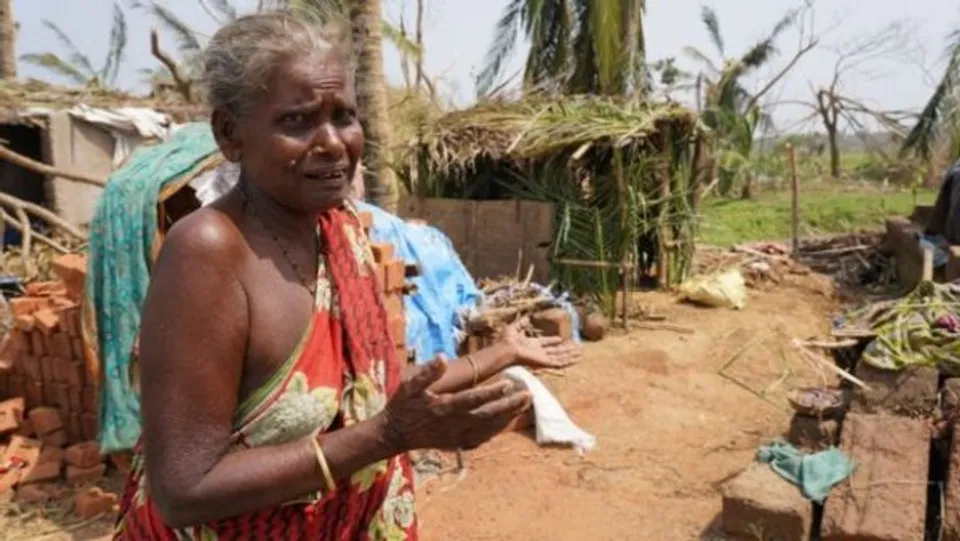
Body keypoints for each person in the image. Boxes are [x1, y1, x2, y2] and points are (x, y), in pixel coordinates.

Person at [112, 12, 579, 541]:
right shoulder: (209, 252)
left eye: (344, 116)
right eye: (297, 121)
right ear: (229, 133)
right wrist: (387, 437)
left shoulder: (341, 232)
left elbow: (372, 389)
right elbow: (183, 489)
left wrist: (504, 353)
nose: (334, 143)